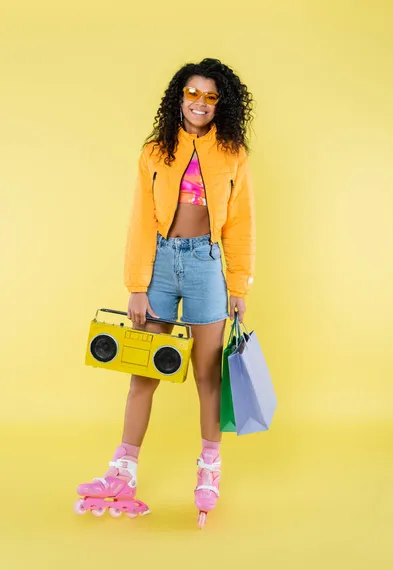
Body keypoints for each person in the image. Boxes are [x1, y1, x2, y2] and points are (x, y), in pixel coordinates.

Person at [76, 58, 256, 526]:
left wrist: (238, 284)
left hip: (206, 266)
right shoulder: (155, 152)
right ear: (180, 97)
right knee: (144, 371)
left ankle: (209, 470)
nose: (200, 103)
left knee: (207, 377)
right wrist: (137, 286)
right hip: (159, 264)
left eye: (210, 96)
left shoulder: (233, 153)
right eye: (192, 93)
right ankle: (122, 471)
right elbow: (139, 221)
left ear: (222, 105)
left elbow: (240, 223)